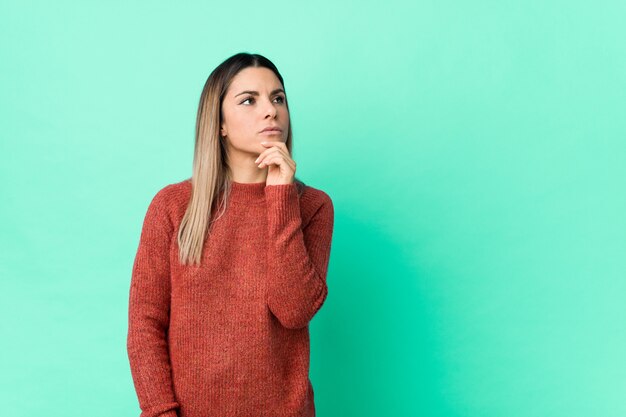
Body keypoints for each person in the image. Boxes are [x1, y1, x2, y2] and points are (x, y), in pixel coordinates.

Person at [126, 52, 335, 417]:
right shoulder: (173, 206)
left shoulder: (313, 207)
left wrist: (281, 197)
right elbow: (145, 325)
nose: (270, 111)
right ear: (219, 123)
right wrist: (160, 412)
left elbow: (293, 310)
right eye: (249, 100)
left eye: (278, 98)